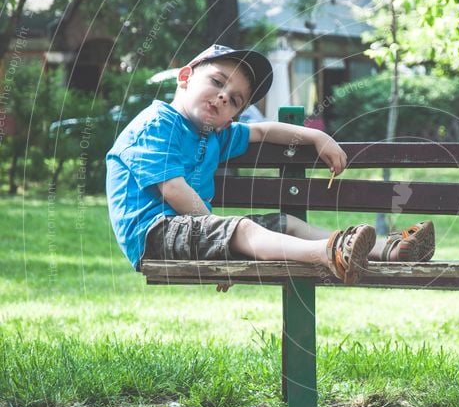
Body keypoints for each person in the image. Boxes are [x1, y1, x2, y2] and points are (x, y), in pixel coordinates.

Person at [106, 44, 435, 288]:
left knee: (285, 223)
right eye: (217, 82)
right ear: (185, 77)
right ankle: (331, 252)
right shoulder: (156, 124)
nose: (223, 97)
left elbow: (262, 130)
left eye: (234, 100)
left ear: (232, 117)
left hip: (195, 230)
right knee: (243, 229)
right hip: (153, 235)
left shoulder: (216, 134)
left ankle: (388, 249)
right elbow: (174, 191)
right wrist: (222, 246)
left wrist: (315, 137)